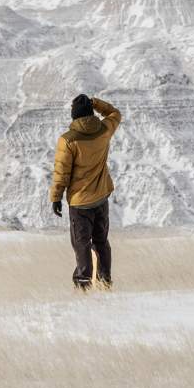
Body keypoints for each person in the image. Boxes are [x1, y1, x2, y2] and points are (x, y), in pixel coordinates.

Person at [49, 94, 122, 291]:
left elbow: (61, 172)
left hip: (80, 202)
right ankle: (105, 280)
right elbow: (114, 113)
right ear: (90, 112)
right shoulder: (104, 130)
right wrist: (96, 103)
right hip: (101, 197)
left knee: (82, 244)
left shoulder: (68, 140)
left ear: (74, 116)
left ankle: (83, 284)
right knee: (101, 241)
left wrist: (56, 197)